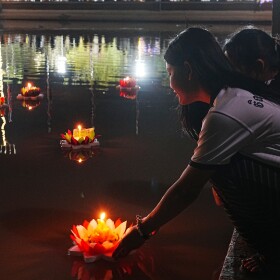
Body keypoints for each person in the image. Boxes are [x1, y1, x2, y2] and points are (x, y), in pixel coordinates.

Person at [112, 27, 280, 276]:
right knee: (217, 170)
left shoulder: (226, 112)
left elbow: (186, 190)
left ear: (188, 70)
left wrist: (143, 231)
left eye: (170, 73)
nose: (169, 83)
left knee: (218, 172)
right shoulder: (232, 96)